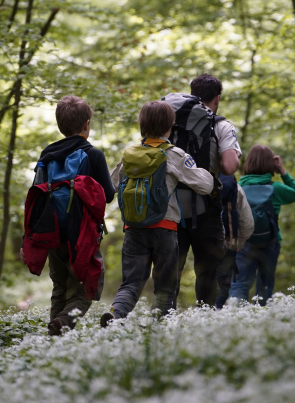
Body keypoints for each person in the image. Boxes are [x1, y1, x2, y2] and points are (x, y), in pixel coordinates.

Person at [102, 101, 214, 324]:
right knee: (165, 287)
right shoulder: (174, 154)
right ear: (170, 128)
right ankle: (158, 330)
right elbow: (205, 186)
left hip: (133, 228)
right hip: (165, 228)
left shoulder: (130, 155)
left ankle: (115, 314)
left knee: (130, 284)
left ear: (142, 125)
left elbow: (110, 187)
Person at [26, 95, 115, 336]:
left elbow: (36, 194)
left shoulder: (47, 154)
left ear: (60, 125)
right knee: (85, 288)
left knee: (59, 286)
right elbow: (107, 196)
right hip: (82, 234)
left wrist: (29, 238)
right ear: (87, 124)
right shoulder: (93, 155)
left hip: (52, 231)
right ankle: (63, 322)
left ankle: (55, 335)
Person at [161, 74, 242, 306]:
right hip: (205, 206)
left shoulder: (169, 121)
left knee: (171, 269)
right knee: (208, 271)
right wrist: (235, 154)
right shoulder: (221, 125)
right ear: (217, 98)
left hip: (171, 206)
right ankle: (205, 316)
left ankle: (164, 316)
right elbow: (228, 167)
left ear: (192, 93)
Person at [229, 145, 295, 305]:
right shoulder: (276, 188)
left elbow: (230, 216)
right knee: (265, 285)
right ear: (271, 164)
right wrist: (282, 171)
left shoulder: (238, 189)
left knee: (240, 283)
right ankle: (262, 316)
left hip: (244, 244)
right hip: (270, 242)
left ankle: (233, 314)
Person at [214, 173, 255, 308]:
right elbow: (247, 222)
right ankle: (215, 312)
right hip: (227, 243)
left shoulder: (195, 179)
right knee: (224, 283)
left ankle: (204, 314)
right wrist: (239, 241)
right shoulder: (234, 187)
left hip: (201, 244)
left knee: (205, 280)